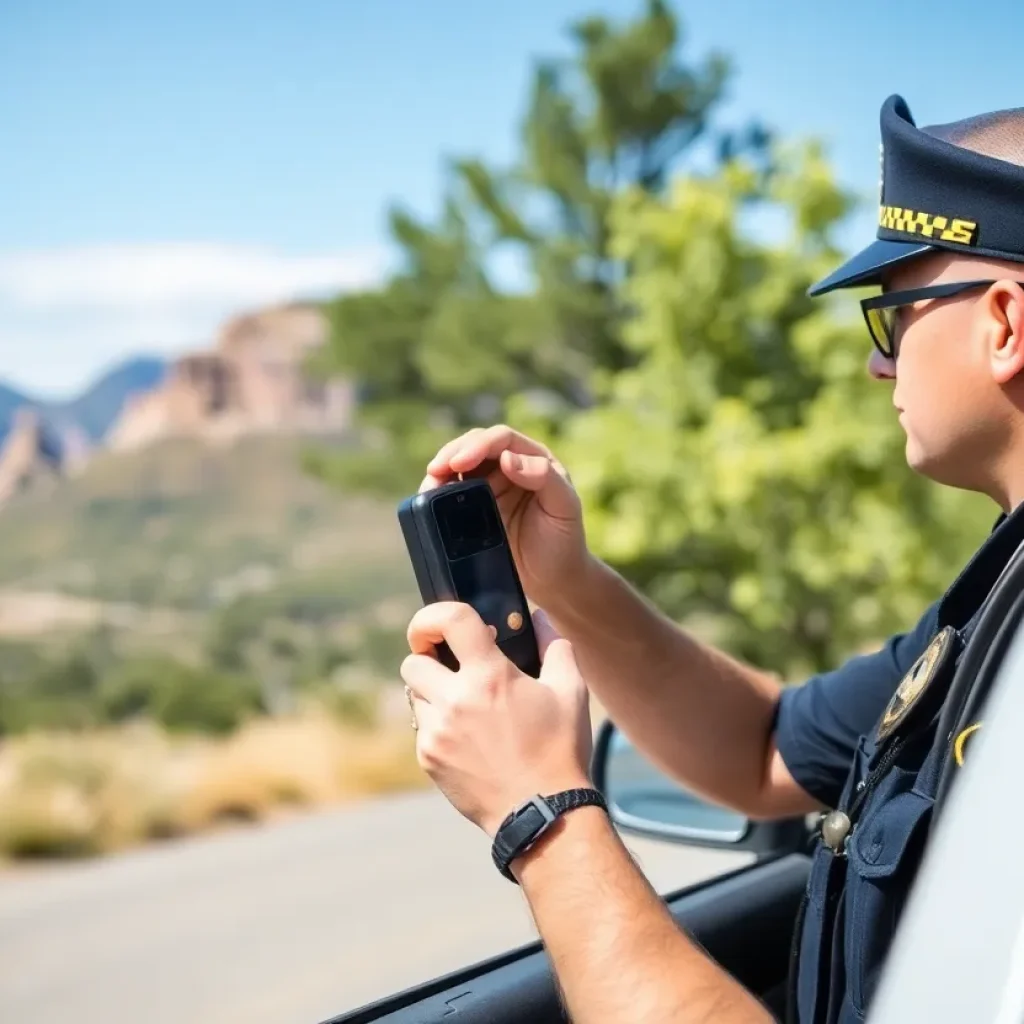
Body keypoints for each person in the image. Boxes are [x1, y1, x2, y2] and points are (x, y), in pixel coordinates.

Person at [399, 93, 1024, 1024]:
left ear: (1006, 323)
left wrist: (540, 817)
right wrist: (564, 576)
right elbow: (764, 748)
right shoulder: (998, 606)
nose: (879, 365)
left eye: (892, 314)